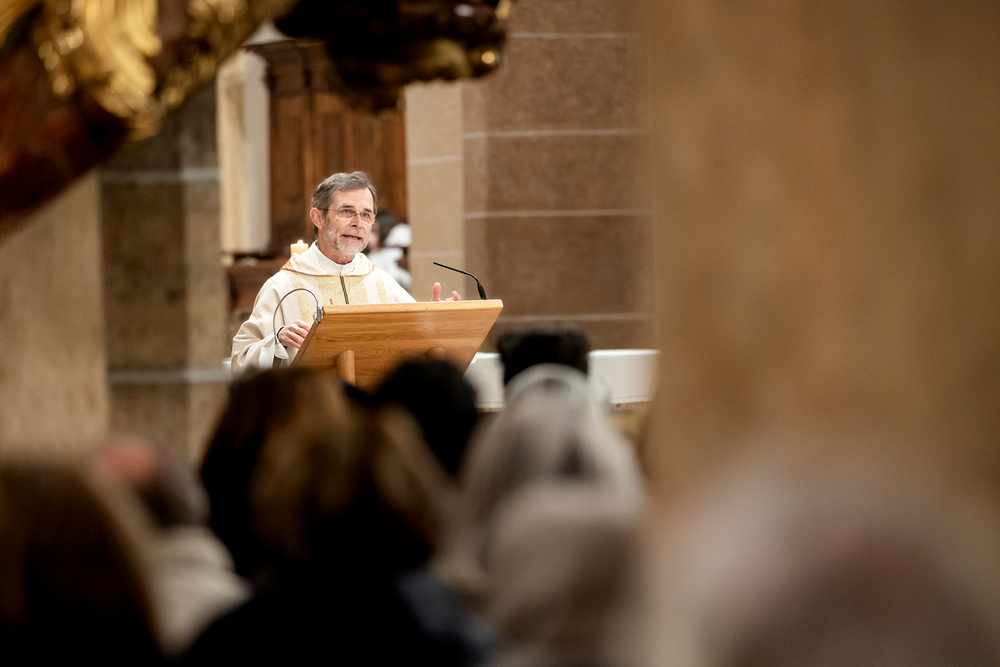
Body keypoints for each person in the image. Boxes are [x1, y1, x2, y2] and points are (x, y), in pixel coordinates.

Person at [231, 172, 459, 374]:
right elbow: (240, 363)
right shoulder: (283, 285)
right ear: (318, 218)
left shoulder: (380, 281)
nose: (358, 223)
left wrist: (435, 322)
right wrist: (277, 341)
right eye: (347, 211)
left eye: (366, 214)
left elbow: (411, 347)